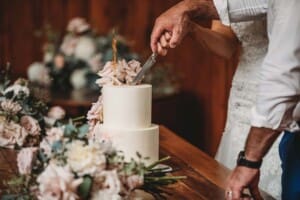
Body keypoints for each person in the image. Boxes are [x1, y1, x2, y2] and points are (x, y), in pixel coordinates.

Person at [150, 0, 300, 199]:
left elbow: (286, 67)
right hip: (242, 100)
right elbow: (226, 45)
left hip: (285, 96)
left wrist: (187, 8)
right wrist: (192, 28)